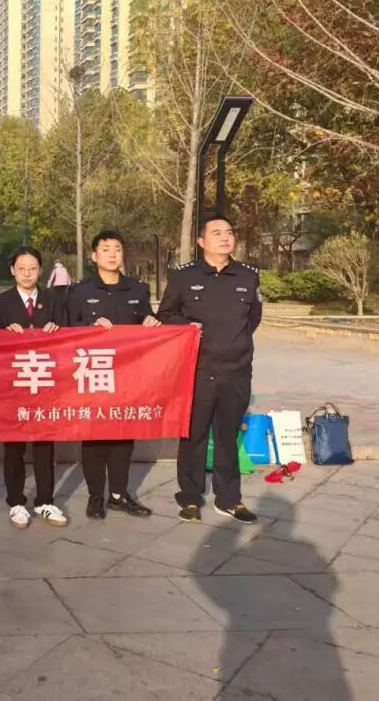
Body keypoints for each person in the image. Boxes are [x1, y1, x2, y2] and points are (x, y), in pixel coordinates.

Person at [158, 214, 262, 525]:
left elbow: (253, 319)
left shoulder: (248, 276)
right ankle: (189, 498)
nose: (225, 237)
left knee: (228, 437)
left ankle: (228, 499)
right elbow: (165, 314)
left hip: (236, 371)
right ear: (201, 241)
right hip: (197, 370)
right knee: (194, 436)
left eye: (229, 232)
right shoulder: (184, 276)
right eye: (217, 233)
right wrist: (186, 325)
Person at [67, 230, 160, 520]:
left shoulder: (137, 290)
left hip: (128, 377)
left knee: (123, 437)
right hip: (93, 374)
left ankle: (119, 495)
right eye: (105, 249)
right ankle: (96, 496)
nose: (112, 254)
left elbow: (147, 324)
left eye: (117, 249)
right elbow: (67, 330)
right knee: (94, 437)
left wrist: (151, 321)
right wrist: (89, 327)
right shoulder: (79, 292)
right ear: (94, 256)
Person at [0, 246, 69, 529]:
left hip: (45, 382)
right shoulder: (0, 303)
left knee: (44, 443)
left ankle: (45, 501)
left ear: (41, 271)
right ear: (12, 270)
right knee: (13, 445)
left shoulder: (53, 300)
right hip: (12, 384)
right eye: (21, 268)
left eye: (33, 268)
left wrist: (57, 331)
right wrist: (4, 334)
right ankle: (16, 502)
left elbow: (69, 336)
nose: (27, 274)